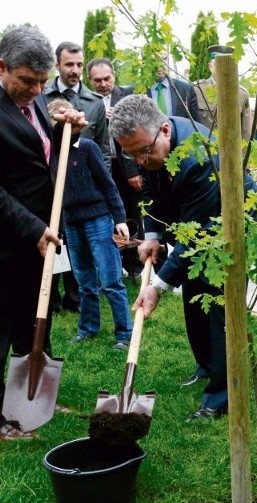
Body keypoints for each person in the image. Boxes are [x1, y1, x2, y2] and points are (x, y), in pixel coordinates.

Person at [109, 94, 257, 420]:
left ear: (164, 130)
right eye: (130, 154)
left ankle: (221, 396)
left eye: (143, 151)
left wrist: (157, 287)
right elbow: (152, 191)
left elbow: (200, 236)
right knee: (194, 295)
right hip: (197, 227)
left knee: (219, 306)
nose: (139, 160)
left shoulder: (198, 159)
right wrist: (152, 236)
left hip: (230, 230)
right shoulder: (149, 148)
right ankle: (206, 366)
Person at [0, 26, 87, 440]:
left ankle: (33, 396)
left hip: (41, 238)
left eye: (41, 81)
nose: (36, 90)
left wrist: (69, 131)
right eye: (27, 81)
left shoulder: (31, 103)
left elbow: (40, 158)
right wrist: (33, 227)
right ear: (2, 67)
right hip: (9, 238)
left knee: (35, 319)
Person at [47, 98, 133, 350]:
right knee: (85, 282)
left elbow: (108, 184)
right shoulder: (51, 154)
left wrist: (119, 219)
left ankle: (124, 334)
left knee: (110, 281)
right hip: (72, 223)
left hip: (98, 219)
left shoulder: (87, 148)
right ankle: (88, 329)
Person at [45, 41, 112, 313]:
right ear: (57, 65)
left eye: (79, 65)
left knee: (78, 243)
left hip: (83, 190)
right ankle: (51, 299)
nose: (74, 70)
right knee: (54, 236)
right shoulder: (42, 98)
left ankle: (77, 299)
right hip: (50, 183)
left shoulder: (93, 104)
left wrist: (102, 186)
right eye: (69, 64)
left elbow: (104, 149)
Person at [87, 57, 143, 236]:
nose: (103, 84)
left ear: (114, 76)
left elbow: (138, 132)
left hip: (126, 165)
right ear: (90, 80)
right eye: (97, 80)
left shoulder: (129, 95)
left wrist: (133, 170)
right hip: (102, 165)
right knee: (112, 212)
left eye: (107, 79)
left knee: (134, 211)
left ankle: (138, 255)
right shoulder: (88, 101)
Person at [194, 45, 253, 151]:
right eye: (218, 63)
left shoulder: (241, 94)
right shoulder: (197, 90)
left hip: (231, 156)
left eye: (228, 64)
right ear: (210, 66)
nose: (223, 67)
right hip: (206, 154)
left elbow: (246, 133)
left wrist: (244, 164)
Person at [148, 52, 204, 125]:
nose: (160, 65)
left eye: (164, 59)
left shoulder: (186, 90)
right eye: (154, 60)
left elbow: (197, 125)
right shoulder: (132, 92)